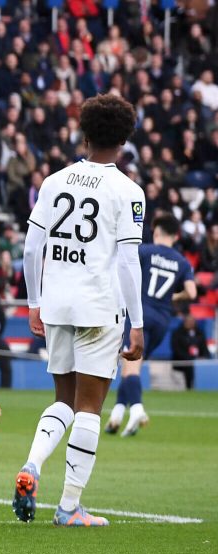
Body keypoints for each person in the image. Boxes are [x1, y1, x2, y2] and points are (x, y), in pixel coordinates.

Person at [13, 94, 145, 527]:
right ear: (124, 139)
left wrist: (34, 302)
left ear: (83, 134)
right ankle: (69, 507)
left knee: (62, 401)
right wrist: (137, 324)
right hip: (99, 307)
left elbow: (32, 247)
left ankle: (32, 464)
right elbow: (128, 262)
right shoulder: (128, 191)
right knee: (89, 407)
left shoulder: (54, 181)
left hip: (57, 303)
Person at [106, 213, 196, 436]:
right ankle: (116, 415)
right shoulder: (182, 262)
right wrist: (174, 298)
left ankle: (136, 409)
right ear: (175, 236)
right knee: (130, 366)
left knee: (130, 366)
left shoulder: (145, 251)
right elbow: (192, 292)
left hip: (140, 316)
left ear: (156, 232)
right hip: (163, 320)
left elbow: (123, 268)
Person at [171, 313, 211, 389]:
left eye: (192, 321)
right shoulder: (177, 333)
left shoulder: (200, 333)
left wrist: (204, 357)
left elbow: (204, 347)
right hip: (182, 361)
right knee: (189, 366)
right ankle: (189, 387)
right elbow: (176, 349)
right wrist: (189, 358)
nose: (191, 323)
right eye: (188, 321)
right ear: (184, 322)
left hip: (198, 361)